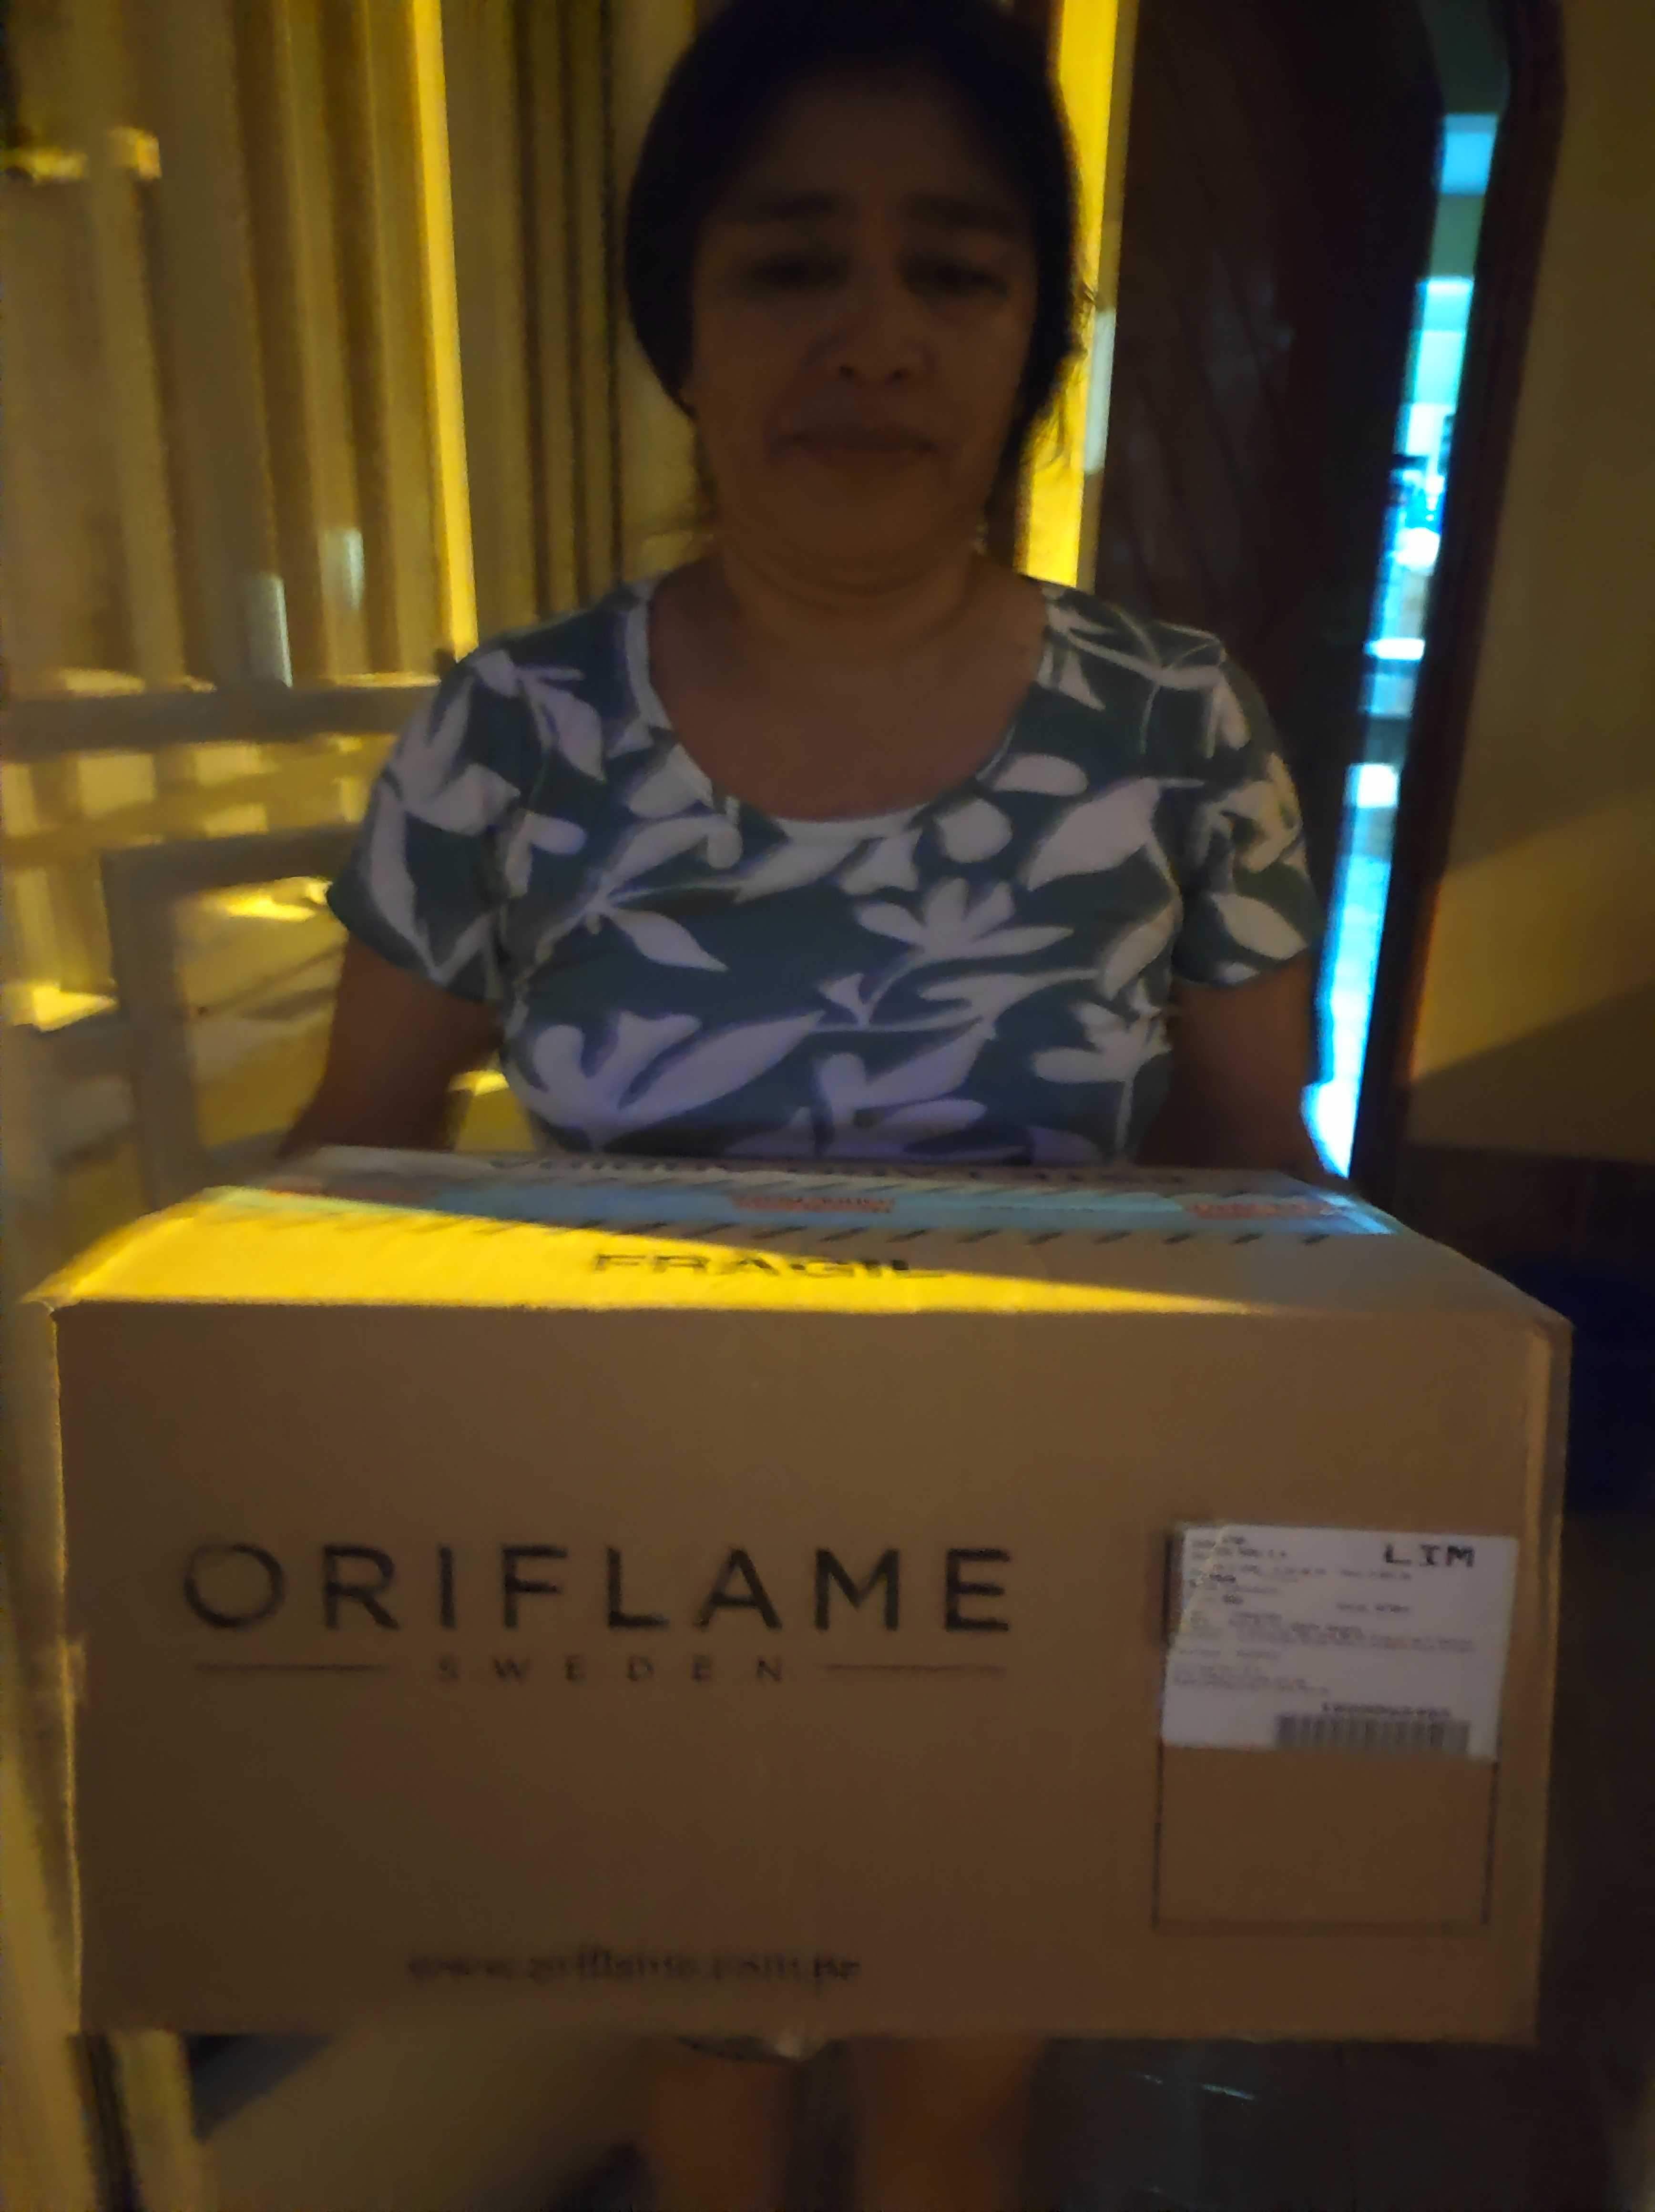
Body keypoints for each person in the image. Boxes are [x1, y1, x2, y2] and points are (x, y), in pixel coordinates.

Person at [289, 2, 1325, 2202]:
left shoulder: (1175, 726)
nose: (873, 336)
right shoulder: (512, 731)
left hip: (1034, 1573)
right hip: (637, 1581)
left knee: (959, 2086)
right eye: (788, 263)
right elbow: (343, 1171)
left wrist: (1288, 1563)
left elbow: (1262, 1168)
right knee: (705, 2066)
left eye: (953, 269)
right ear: (680, 319)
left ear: (1031, 338)